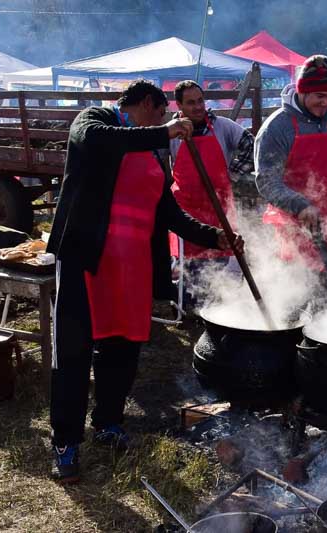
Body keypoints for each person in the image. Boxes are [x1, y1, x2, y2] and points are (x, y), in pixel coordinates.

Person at [46, 80, 244, 483]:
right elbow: (98, 141)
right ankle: (66, 442)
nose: (163, 120)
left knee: (122, 349)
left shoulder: (153, 152)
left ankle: (108, 423)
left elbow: (167, 211)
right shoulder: (94, 121)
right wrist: (165, 131)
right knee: (74, 352)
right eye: (159, 112)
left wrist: (213, 235)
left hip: (133, 265)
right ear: (145, 105)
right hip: (89, 259)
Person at [255, 55, 327, 288]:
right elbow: (266, 180)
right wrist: (300, 205)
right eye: (319, 96)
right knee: (304, 295)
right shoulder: (277, 127)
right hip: (297, 227)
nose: (326, 103)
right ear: (302, 91)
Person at [169, 80, 255, 305]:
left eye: (200, 101)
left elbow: (250, 145)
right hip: (186, 208)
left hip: (219, 205)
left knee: (220, 253)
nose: (198, 107)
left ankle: (217, 302)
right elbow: (158, 162)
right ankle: (189, 301)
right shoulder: (172, 131)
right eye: (191, 103)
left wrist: (232, 174)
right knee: (189, 259)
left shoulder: (223, 127)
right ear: (179, 105)